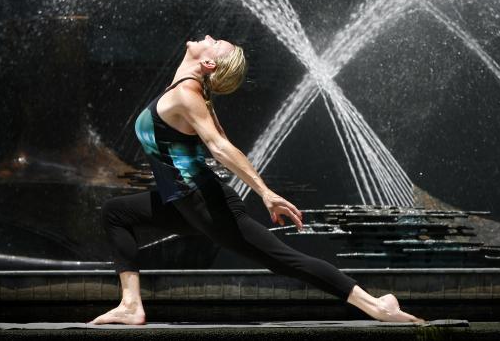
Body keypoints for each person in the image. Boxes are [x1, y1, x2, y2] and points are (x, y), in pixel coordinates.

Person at [90, 35, 426, 325]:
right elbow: (218, 140)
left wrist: (265, 192)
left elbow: (220, 147)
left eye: (215, 43)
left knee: (283, 259)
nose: (208, 37)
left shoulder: (187, 95)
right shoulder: (187, 92)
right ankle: (131, 305)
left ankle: (376, 307)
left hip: (206, 204)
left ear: (208, 62)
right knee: (115, 213)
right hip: (182, 201)